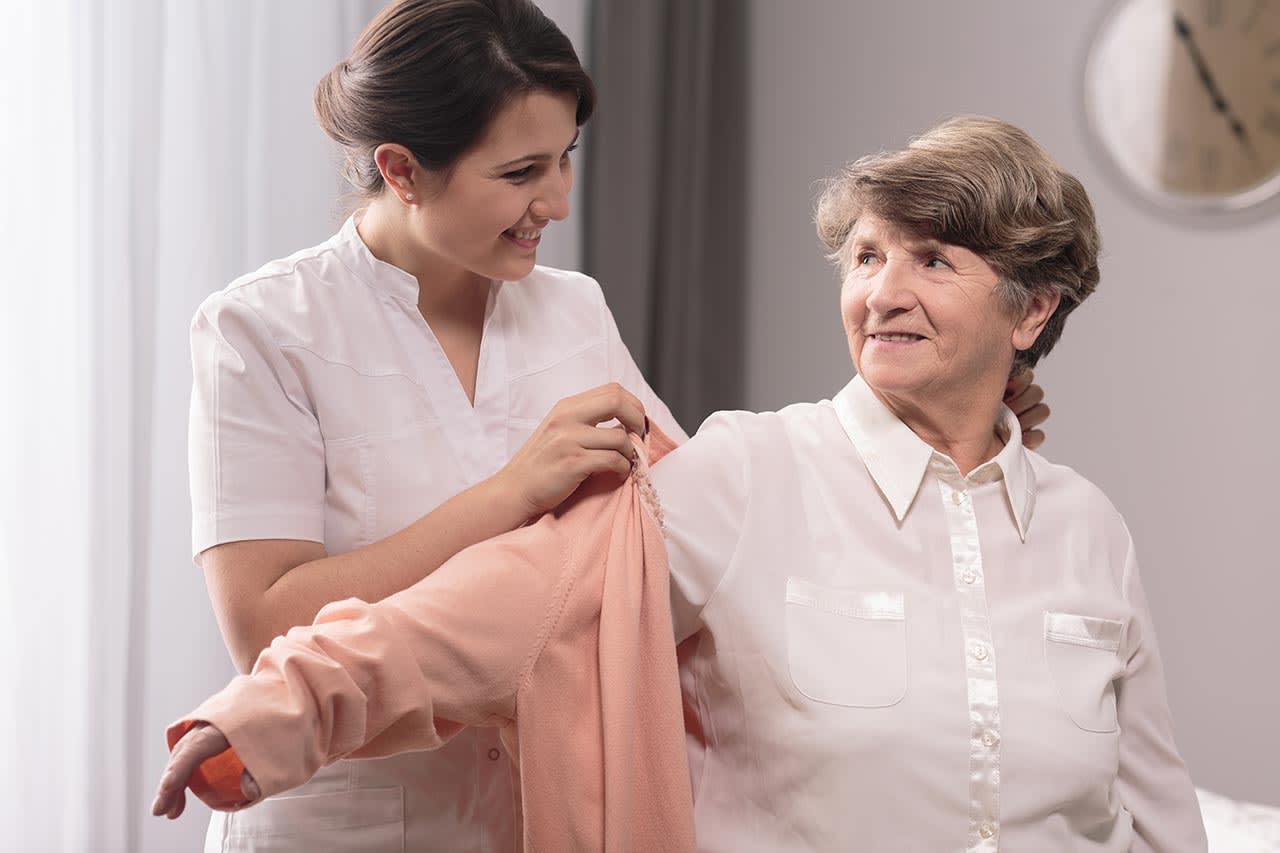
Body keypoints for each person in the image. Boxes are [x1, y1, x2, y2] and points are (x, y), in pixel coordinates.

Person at [157, 114, 1199, 851]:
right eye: (865, 256)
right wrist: (273, 713)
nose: (881, 291)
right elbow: (503, 604)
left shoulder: (1087, 531)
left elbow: (1150, 808)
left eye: (931, 261)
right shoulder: (740, 476)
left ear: (1029, 313)